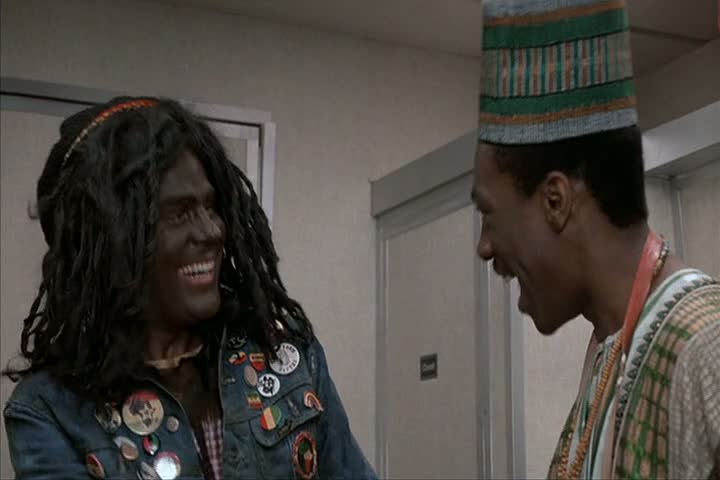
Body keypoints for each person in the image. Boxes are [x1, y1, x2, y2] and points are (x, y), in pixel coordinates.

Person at [3, 97, 377, 480]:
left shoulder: (286, 355)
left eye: (211, 207)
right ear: (114, 242)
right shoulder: (50, 410)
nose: (211, 231)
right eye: (179, 214)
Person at [473, 0, 720, 478]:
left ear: (555, 201)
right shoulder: (612, 352)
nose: (485, 246)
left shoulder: (705, 346)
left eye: (488, 213)